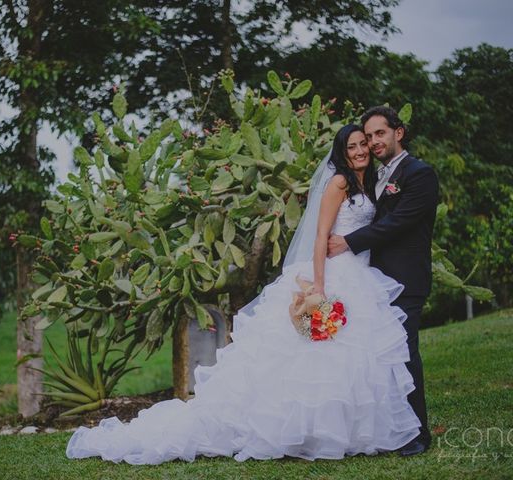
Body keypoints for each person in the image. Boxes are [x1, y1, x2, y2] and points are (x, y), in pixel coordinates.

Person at [66, 124, 421, 465]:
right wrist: (319, 287)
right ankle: (298, 430)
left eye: (363, 144)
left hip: (358, 273)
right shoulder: (340, 182)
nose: (360, 151)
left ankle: (346, 432)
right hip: (331, 273)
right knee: (311, 357)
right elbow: (319, 236)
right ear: (342, 154)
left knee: (349, 358)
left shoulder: (369, 180)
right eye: (352, 147)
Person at [328, 106, 439, 456]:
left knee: (404, 354)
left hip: (405, 279)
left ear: (398, 133)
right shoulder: (375, 176)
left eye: (380, 134)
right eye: (368, 136)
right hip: (372, 280)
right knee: (378, 357)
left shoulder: (419, 173)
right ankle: (389, 427)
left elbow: (400, 222)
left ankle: (418, 434)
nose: (373, 142)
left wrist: (349, 241)